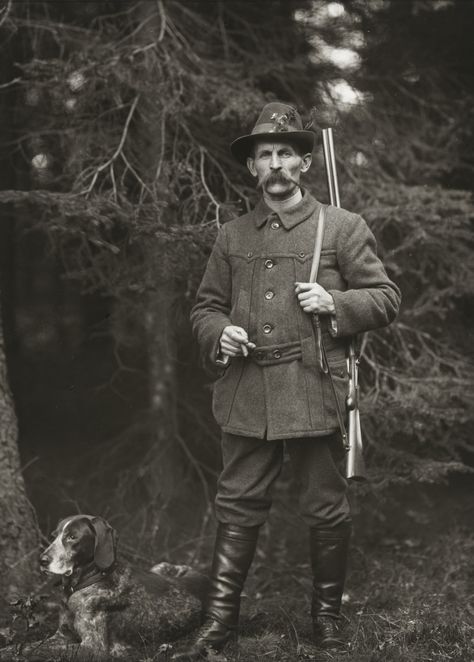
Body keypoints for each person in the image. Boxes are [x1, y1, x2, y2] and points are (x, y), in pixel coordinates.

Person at [173, 102, 401, 659]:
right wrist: (220, 332)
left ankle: (327, 624)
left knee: (326, 507)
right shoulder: (232, 236)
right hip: (247, 390)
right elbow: (205, 308)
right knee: (237, 505)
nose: (274, 164)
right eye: (263, 155)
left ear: (304, 162)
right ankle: (218, 626)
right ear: (253, 168)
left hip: (313, 385)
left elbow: (387, 298)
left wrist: (335, 301)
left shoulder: (342, 227)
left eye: (284, 154)